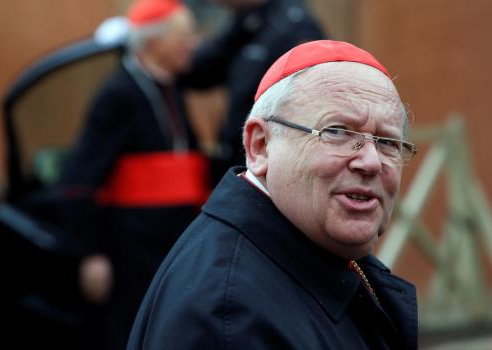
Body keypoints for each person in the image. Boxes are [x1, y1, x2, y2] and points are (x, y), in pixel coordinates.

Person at [128, 40, 419, 349]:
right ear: (260, 146)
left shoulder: (318, 243)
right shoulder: (229, 319)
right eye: (337, 132)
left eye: (387, 142)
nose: (371, 162)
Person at [57, 0, 208, 348]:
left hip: (172, 239)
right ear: (153, 44)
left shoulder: (171, 86)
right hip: (132, 249)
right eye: (184, 36)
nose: (194, 43)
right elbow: (80, 181)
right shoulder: (117, 94)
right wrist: (90, 253)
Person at [183, 0, 324, 183]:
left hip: (272, 160)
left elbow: (310, 98)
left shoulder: (293, 24)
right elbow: (199, 72)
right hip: (241, 156)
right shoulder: (247, 21)